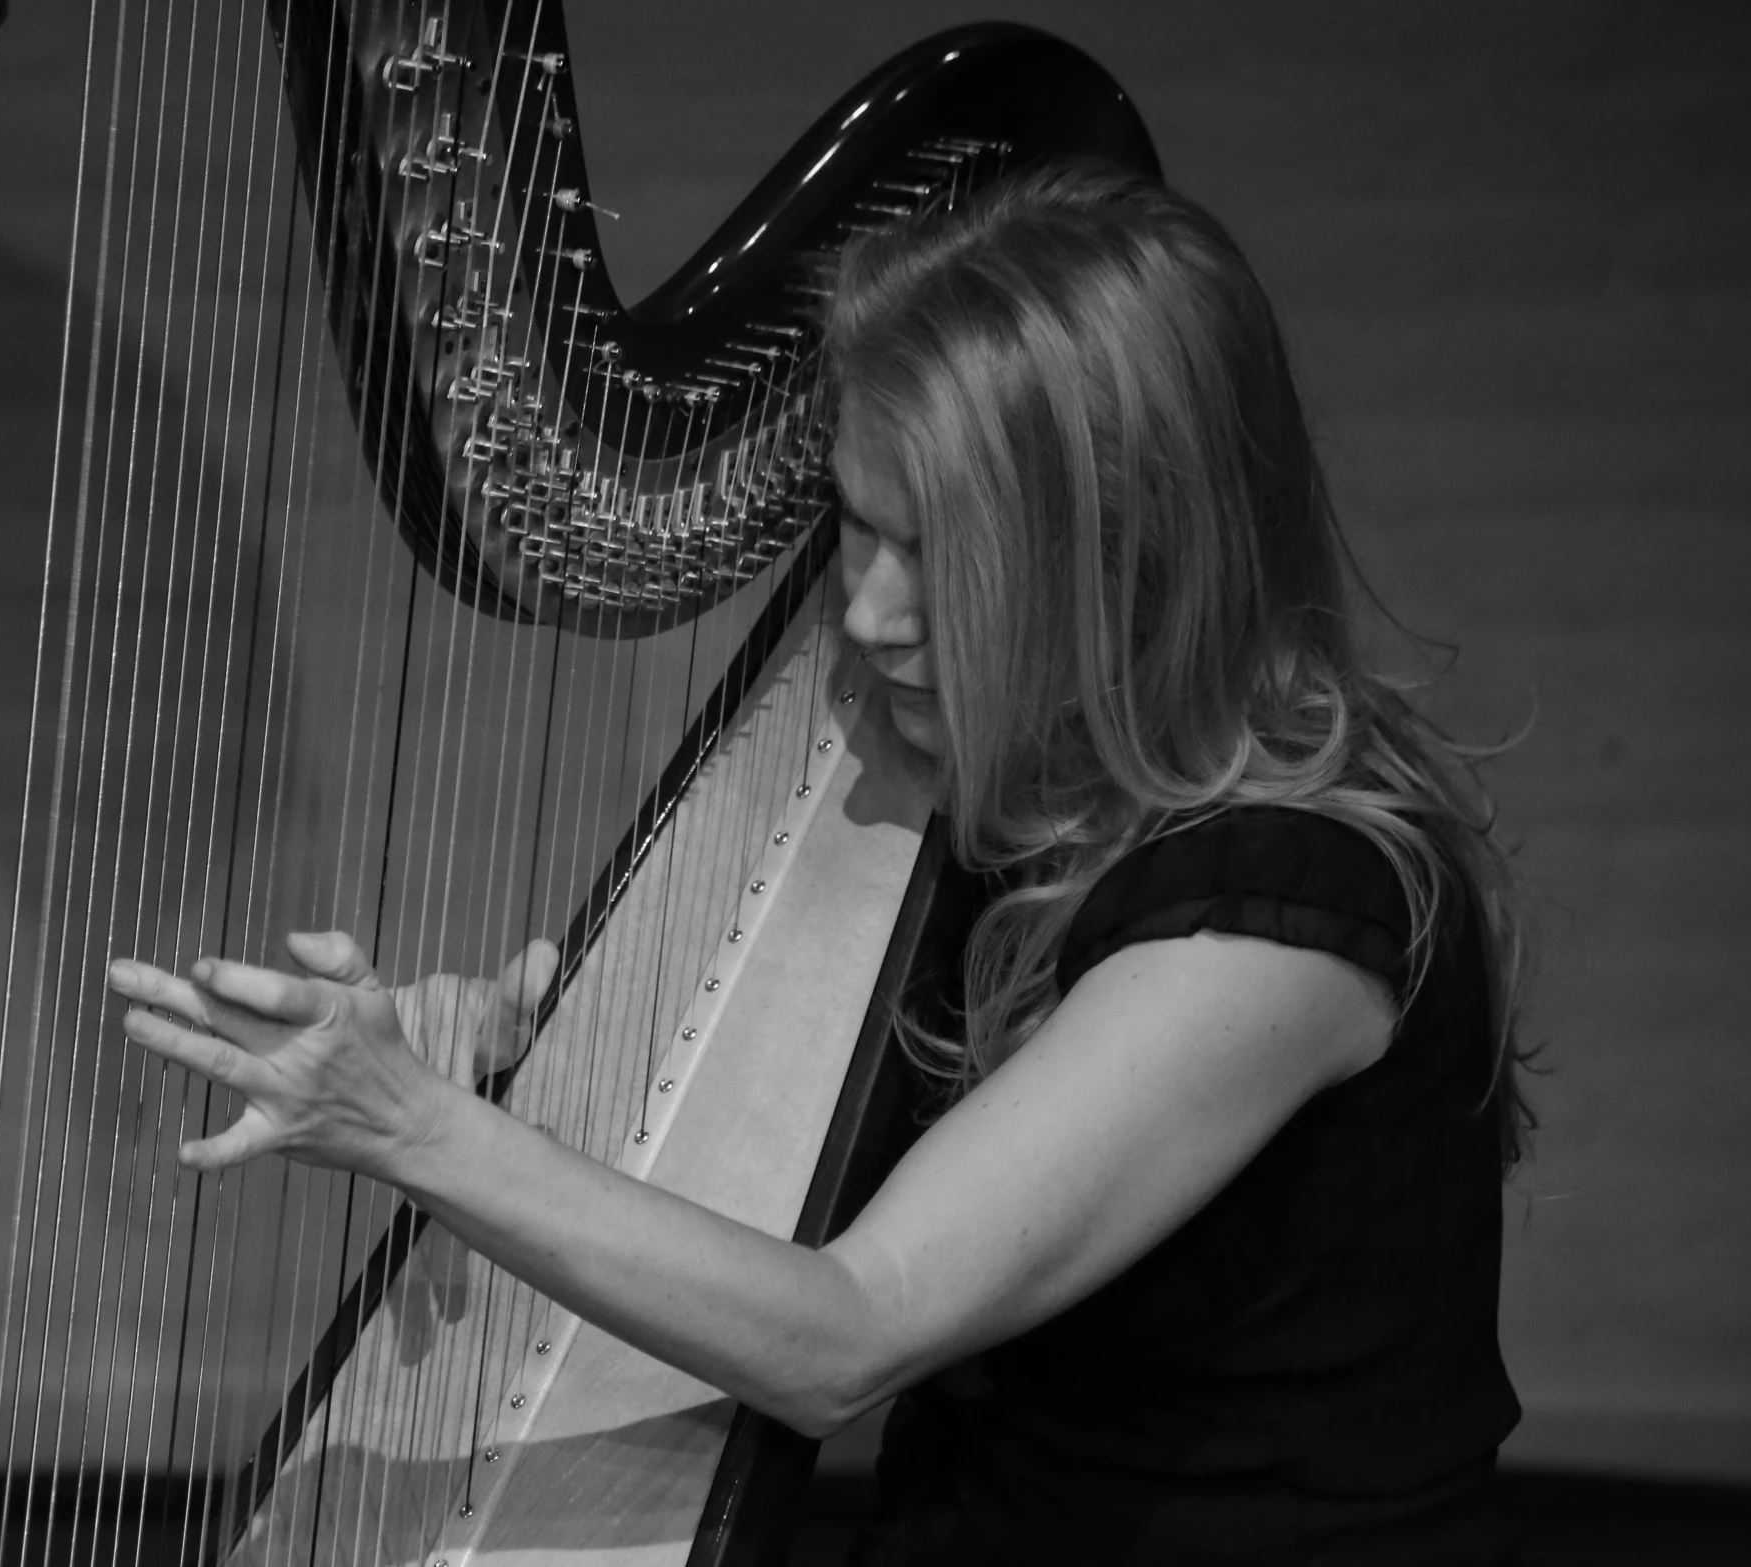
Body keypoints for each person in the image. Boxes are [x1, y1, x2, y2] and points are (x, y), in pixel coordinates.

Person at [105, 162, 1531, 1564]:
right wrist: (529, 1080)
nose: (869, 611)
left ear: (1124, 553)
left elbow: (849, 1327)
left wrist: (421, 1128)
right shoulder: (1013, 797)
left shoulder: (1284, 914)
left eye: (943, 552)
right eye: (857, 523)